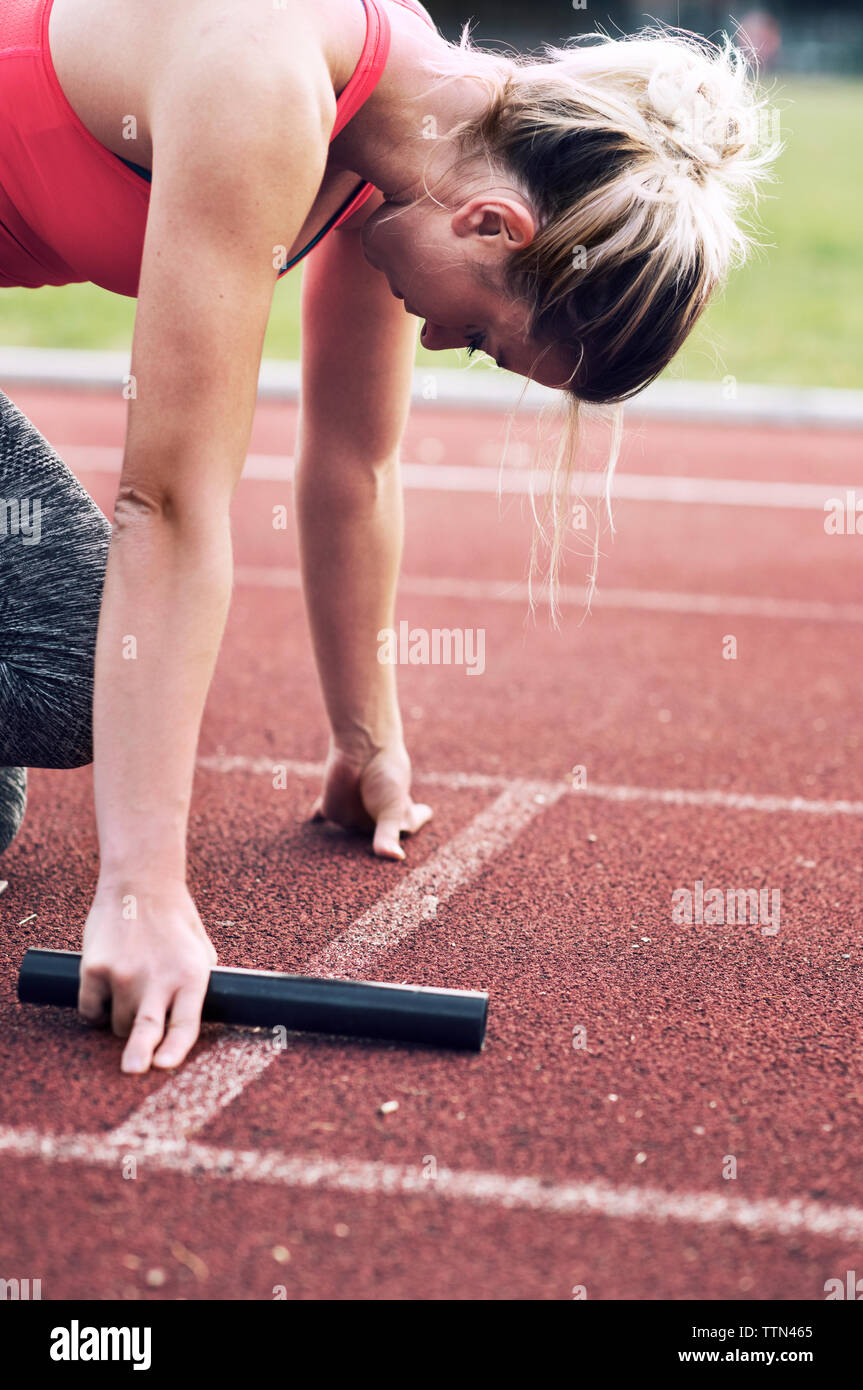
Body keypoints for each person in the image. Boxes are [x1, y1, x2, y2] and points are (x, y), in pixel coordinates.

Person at [0, 0, 776, 1072]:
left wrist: (365, 739)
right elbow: (167, 506)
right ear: (494, 226)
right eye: (485, 342)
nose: (445, 338)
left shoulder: (406, 146)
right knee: (61, 654)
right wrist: (141, 889)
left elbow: (354, 462)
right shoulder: (265, 83)